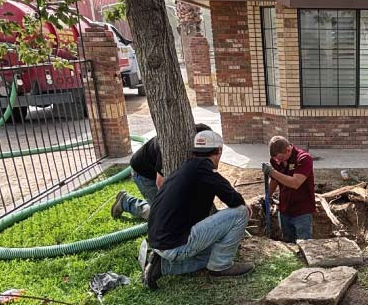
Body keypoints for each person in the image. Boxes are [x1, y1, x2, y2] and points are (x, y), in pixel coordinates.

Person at [141, 129, 253, 289]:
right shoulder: (204, 170)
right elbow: (233, 199)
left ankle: (161, 267)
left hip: (161, 241)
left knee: (214, 251)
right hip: (175, 245)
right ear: (219, 151)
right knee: (240, 213)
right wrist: (246, 206)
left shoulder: (187, 167)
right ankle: (221, 267)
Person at [111, 123, 212, 220]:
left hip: (155, 169)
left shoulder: (187, 142)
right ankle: (126, 202)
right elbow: (160, 183)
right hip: (144, 174)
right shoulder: (170, 149)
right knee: (164, 217)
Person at [262, 135, 315, 243]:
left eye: (280, 158)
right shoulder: (276, 160)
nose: (277, 161)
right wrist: (267, 197)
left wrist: (272, 172)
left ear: (288, 150)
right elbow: (274, 180)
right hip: (285, 209)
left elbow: (296, 183)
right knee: (288, 244)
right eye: (275, 159)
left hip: (302, 211)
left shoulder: (304, 158)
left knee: (305, 245)